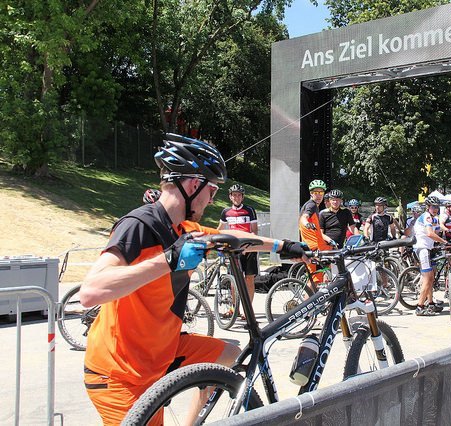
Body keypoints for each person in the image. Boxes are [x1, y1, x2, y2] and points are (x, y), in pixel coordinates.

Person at [79, 134, 307, 425]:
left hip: (162, 353)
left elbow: (233, 237)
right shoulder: (138, 225)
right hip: (120, 374)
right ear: (191, 185)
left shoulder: (185, 228)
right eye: (211, 190)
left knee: (228, 355)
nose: (213, 199)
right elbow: (91, 291)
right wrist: (168, 260)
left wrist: (283, 246)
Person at [218, 184, 259, 307]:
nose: (237, 197)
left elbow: (254, 230)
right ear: (230, 197)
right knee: (235, 279)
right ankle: (234, 307)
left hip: (248, 248)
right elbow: (219, 229)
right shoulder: (226, 212)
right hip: (234, 249)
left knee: (249, 278)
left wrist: (248, 246)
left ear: (243, 197)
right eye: (234, 195)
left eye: (239, 195)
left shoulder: (250, 210)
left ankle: (248, 309)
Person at [413, 196, 447, 316]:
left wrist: (444, 240)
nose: (436, 209)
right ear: (428, 207)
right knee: (428, 278)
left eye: (437, 207)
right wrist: (444, 242)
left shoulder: (435, 219)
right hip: (422, 249)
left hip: (429, 248)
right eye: (433, 207)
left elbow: (437, 233)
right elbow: (429, 233)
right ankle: (420, 306)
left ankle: (431, 303)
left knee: (431, 277)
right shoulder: (426, 216)